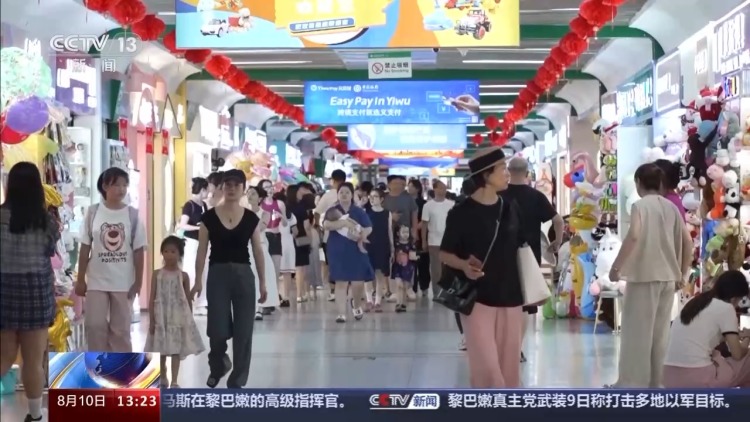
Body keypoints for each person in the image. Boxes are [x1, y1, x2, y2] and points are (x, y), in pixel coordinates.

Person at [439, 147, 527, 388]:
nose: (508, 173)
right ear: (486, 175)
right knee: (487, 368)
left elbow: (521, 247)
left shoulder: (510, 208)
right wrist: (464, 265)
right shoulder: (461, 213)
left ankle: (506, 406)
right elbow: (444, 253)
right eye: (502, 169)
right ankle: (486, 405)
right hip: (477, 298)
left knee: (509, 368)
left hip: (511, 296)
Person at [608, 163, 694, 388]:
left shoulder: (640, 206)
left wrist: (616, 268)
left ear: (638, 183)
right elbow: (688, 242)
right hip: (669, 278)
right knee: (660, 334)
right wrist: (683, 273)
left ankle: (631, 383)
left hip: (644, 277)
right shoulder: (672, 207)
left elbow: (634, 236)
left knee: (637, 332)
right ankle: (656, 383)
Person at [191, 169, 268, 388]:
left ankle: (237, 380)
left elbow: (258, 251)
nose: (232, 188)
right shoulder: (208, 217)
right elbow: (201, 250)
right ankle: (218, 365)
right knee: (217, 329)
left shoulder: (251, 218)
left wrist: (263, 282)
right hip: (218, 274)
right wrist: (198, 280)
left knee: (244, 331)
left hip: (244, 275)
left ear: (243, 189)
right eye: (228, 184)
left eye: (236, 185)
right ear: (222, 187)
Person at [0, 162, 60, 422]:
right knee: (34, 360)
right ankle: (35, 415)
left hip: (4, 290)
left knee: (4, 356)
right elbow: (49, 251)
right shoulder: (47, 222)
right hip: (36, 291)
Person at [76, 167, 148, 352]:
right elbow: (85, 247)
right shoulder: (93, 212)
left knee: (121, 330)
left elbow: (139, 251)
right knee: (94, 326)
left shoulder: (132, 215)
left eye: (125, 185)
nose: (121, 189)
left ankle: (121, 367)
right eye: (116, 185)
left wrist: (138, 282)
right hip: (96, 280)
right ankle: (97, 363)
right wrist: (80, 279)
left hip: (123, 281)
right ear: (105, 186)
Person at [500, 157, 564, 361]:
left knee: (504, 302)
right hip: (529, 255)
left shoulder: (499, 195)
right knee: (525, 304)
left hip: (502, 255)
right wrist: (557, 242)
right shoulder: (536, 196)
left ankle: (503, 346)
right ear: (527, 173)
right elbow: (558, 220)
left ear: (508, 172)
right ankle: (516, 349)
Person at [663, 270, 750, 388]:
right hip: (697, 378)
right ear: (734, 298)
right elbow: (737, 354)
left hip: (668, 376)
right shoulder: (726, 308)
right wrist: (747, 337)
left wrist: (736, 335)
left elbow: (701, 336)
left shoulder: (696, 302)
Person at [145, 236, 205, 388]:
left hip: (177, 319)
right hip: (161, 317)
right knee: (161, 350)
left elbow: (187, 299)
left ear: (179, 254)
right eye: (166, 251)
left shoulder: (183, 276)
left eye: (173, 251)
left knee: (176, 350)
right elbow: (152, 298)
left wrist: (189, 320)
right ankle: (163, 375)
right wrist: (152, 320)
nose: (169, 255)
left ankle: (175, 380)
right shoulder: (157, 274)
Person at [323, 182, 375, 323]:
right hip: (337, 250)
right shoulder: (332, 210)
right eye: (341, 192)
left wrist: (361, 234)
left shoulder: (358, 211)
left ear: (352, 195)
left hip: (356, 250)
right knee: (341, 282)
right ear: (338, 194)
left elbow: (368, 227)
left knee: (358, 282)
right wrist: (343, 224)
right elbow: (326, 225)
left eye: (347, 192)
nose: (344, 195)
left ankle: (356, 305)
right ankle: (341, 313)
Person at [245, 186, 280, 320]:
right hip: (245, 248)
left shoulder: (265, 213)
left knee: (260, 276)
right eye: (248, 193)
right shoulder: (242, 212)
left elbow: (260, 228)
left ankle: (259, 308)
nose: (250, 196)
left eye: (253, 194)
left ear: (260, 198)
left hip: (260, 247)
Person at [383, 175, 418, 301]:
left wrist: (414, 229)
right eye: (395, 183)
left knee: (407, 260)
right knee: (391, 260)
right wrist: (391, 218)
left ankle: (408, 287)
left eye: (401, 183)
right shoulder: (384, 199)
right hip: (388, 233)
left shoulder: (408, 198)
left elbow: (414, 212)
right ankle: (393, 289)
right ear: (389, 185)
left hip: (405, 234)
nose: (399, 186)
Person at [314, 169, 347, 302]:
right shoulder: (351, 193)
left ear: (333, 180)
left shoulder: (328, 195)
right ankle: (345, 289)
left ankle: (333, 290)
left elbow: (317, 212)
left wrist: (317, 226)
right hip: (348, 235)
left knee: (331, 263)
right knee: (346, 262)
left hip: (330, 236)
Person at [179, 177, 209, 315]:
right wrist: (198, 228)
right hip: (191, 242)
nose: (208, 192)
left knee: (203, 272)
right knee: (191, 270)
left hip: (203, 242)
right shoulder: (189, 205)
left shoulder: (204, 205)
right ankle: (189, 301)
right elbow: (183, 225)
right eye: (206, 190)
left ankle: (201, 303)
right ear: (202, 189)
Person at [421, 179, 455, 298]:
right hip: (434, 241)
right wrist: (424, 241)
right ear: (434, 189)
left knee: (447, 268)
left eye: (444, 188)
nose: (443, 190)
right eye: (440, 188)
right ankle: (437, 292)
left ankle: (447, 291)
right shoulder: (428, 206)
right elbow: (424, 224)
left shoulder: (451, 204)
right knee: (436, 268)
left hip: (448, 241)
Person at [258, 178, 289, 306]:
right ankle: (264, 297)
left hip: (276, 236)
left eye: (270, 186)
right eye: (266, 187)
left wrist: (281, 216)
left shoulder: (279, 204)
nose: (269, 189)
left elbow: (285, 223)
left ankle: (274, 297)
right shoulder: (259, 204)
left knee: (276, 269)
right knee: (265, 268)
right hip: (264, 237)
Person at [366, 188, 394, 313]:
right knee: (367, 274)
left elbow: (389, 231)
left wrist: (392, 248)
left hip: (382, 246)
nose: (372, 199)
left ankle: (377, 301)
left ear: (382, 199)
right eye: (370, 196)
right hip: (368, 245)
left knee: (380, 274)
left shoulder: (387, 213)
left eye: (375, 196)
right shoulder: (366, 212)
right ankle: (369, 300)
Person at [288, 183, 315, 303]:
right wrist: (310, 240)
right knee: (301, 268)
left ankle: (300, 293)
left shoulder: (286, 207)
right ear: (295, 193)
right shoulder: (301, 208)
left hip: (289, 238)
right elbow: (307, 226)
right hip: (302, 239)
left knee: (294, 268)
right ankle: (300, 294)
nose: (301, 194)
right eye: (299, 192)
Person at [408, 178, 431, 297]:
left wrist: (416, 227)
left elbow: (425, 219)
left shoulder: (423, 203)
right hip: (407, 235)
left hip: (421, 235)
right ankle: (412, 287)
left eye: (411, 186)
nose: (409, 188)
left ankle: (424, 286)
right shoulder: (406, 202)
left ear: (417, 189)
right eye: (408, 186)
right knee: (411, 262)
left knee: (423, 262)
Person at [392, 224, 417, 312]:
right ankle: (398, 303)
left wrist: (415, 257)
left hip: (408, 268)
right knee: (399, 285)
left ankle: (403, 303)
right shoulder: (395, 244)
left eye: (407, 232)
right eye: (403, 232)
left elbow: (413, 255)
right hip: (398, 268)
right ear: (398, 233)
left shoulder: (411, 245)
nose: (406, 234)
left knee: (405, 287)